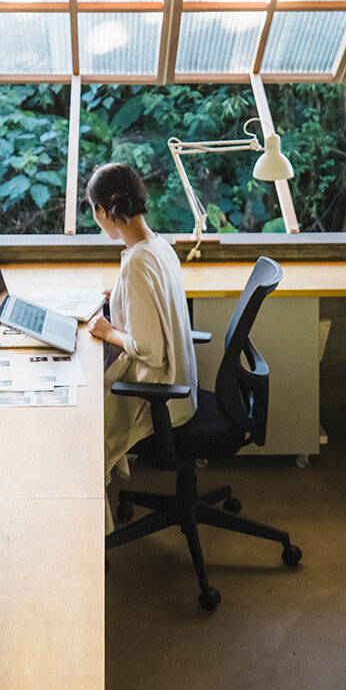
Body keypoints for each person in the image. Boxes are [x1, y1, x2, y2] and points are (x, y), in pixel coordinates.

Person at [83, 162, 195, 534]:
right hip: (182, 387)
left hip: (161, 397)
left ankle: (96, 535)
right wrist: (119, 297)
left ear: (103, 211)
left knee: (80, 424)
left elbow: (148, 350)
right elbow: (154, 306)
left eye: (94, 213)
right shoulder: (158, 245)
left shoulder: (136, 263)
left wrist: (106, 330)